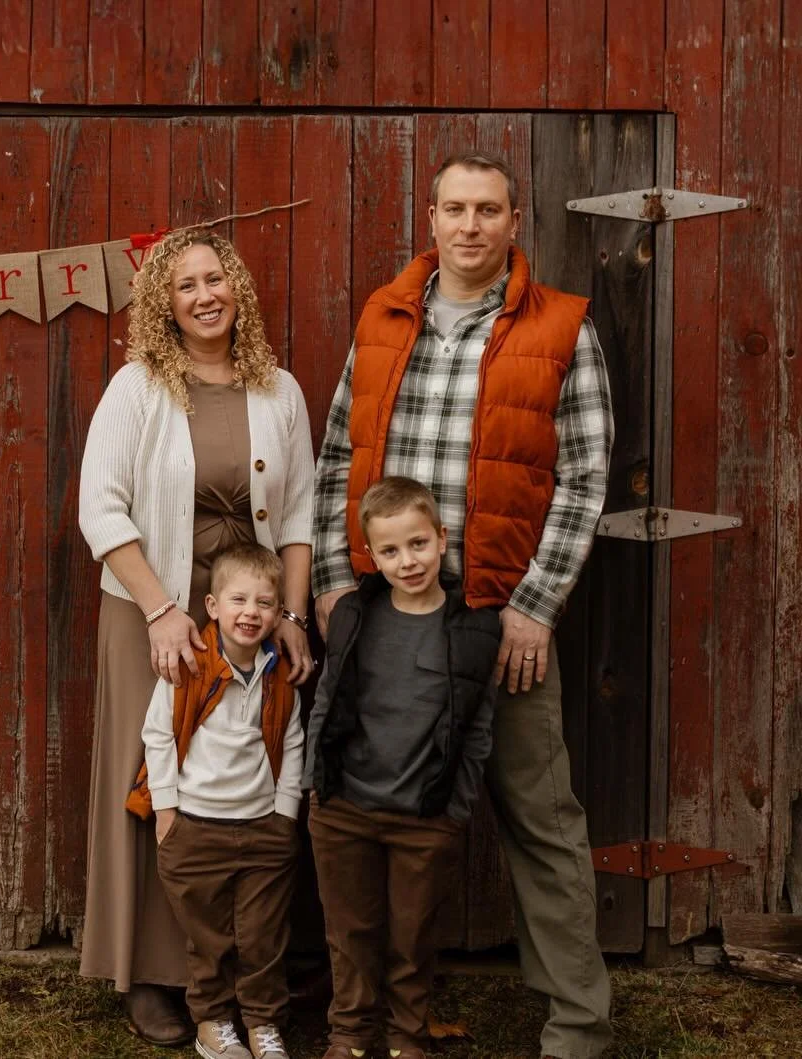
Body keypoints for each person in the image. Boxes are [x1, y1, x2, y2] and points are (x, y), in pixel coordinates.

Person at [311, 151, 615, 1059]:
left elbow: (585, 477)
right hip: (385, 618)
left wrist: (536, 605)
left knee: (539, 813)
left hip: (498, 613)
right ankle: (367, 1020)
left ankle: (578, 1022)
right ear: (431, 219)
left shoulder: (562, 328)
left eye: (488, 210)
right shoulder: (383, 317)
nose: (470, 225)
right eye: (455, 208)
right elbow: (338, 460)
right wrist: (334, 579)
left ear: (515, 222)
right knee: (368, 807)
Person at [78, 229, 315, 1046]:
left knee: (246, 767)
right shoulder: (138, 388)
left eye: (217, 278)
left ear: (237, 289)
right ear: (163, 304)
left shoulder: (279, 390)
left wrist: (290, 612)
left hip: (248, 622)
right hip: (153, 612)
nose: (205, 294)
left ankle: (241, 976)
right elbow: (100, 508)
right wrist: (159, 608)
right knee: (155, 776)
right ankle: (150, 972)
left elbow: (299, 518)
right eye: (185, 285)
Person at [305, 476, 499, 1059]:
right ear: (371, 555)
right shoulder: (352, 617)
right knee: (350, 935)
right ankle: (351, 1035)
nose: (407, 561)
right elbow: (325, 701)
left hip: (424, 816)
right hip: (345, 809)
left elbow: (479, 728)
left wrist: (453, 810)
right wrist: (318, 789)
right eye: (389, 550)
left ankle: (406, 1037)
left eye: (417, 544)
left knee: (412, 938)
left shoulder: (472, 627)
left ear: (442, 539)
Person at [132, 543, 304, 1059]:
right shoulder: (190, 666)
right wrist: (166, 810)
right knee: (209, 939)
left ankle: (264, 1024)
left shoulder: (279, 675)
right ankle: (212, 1021)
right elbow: (158, 735)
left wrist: (286, 813)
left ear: (278, 613)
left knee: (262, 938)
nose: (250, 612)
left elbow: (292, 741)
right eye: (238, 600)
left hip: (263, 828)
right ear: (212, 607)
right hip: (195, 827)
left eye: (264, 603)